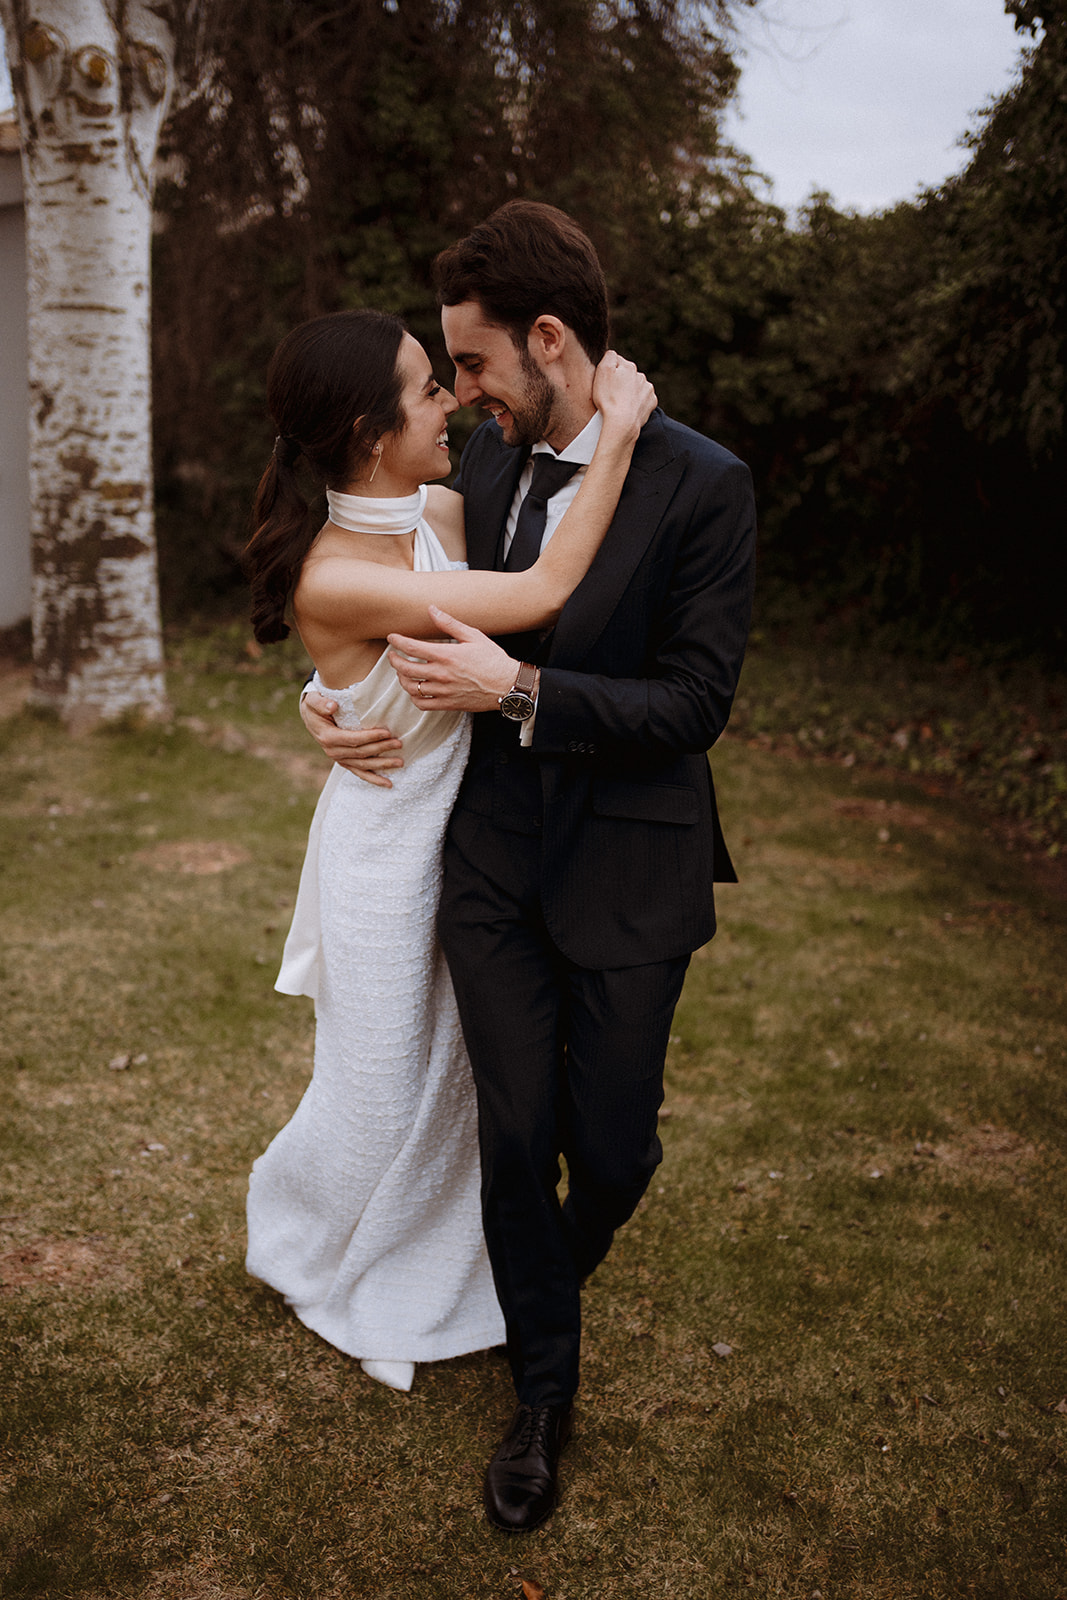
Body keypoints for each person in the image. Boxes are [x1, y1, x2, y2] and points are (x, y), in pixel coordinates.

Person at [301, 203, 757, 1531]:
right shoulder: (480, 477)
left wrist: (520, 691)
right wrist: (328, 701)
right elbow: (354, 589)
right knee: (508, 1135)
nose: (460, 393)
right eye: (446, 372)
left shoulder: (702, 482)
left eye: (473, 362)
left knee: (608, 1150)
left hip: (634, 865)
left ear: (546, 339)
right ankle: (539, 1397)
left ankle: (530, 1280)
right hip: (489, 863)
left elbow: (693, 705)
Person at [242, 307, 655, 1398]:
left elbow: (510, 584)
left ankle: (423, 1272)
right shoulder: (334, 576)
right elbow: (538, 593)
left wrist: (321, 697)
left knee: (456, 1085)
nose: (452, 404)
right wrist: (619, 434)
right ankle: (304, 1238)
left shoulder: (436, 509)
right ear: (372, 435)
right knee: (378, 1088)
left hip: (467, 839)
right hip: (381, 857)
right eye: (428, 389)